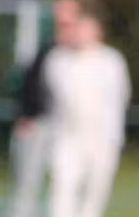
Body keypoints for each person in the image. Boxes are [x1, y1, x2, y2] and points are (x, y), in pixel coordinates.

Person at [43, 14, 128, 217]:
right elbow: (59, 94)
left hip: (102, 135)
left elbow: (121, 95)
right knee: (63, 183)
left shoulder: (111, 61)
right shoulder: (58, 59)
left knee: (97, 186)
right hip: (68, 134)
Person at [10, 0, 83, 217]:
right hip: (39, 122)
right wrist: (25, 114)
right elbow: (30, 83)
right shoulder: (44, 47)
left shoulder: (83, 52)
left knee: (65, 184)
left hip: (70, 127)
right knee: (27, 181)